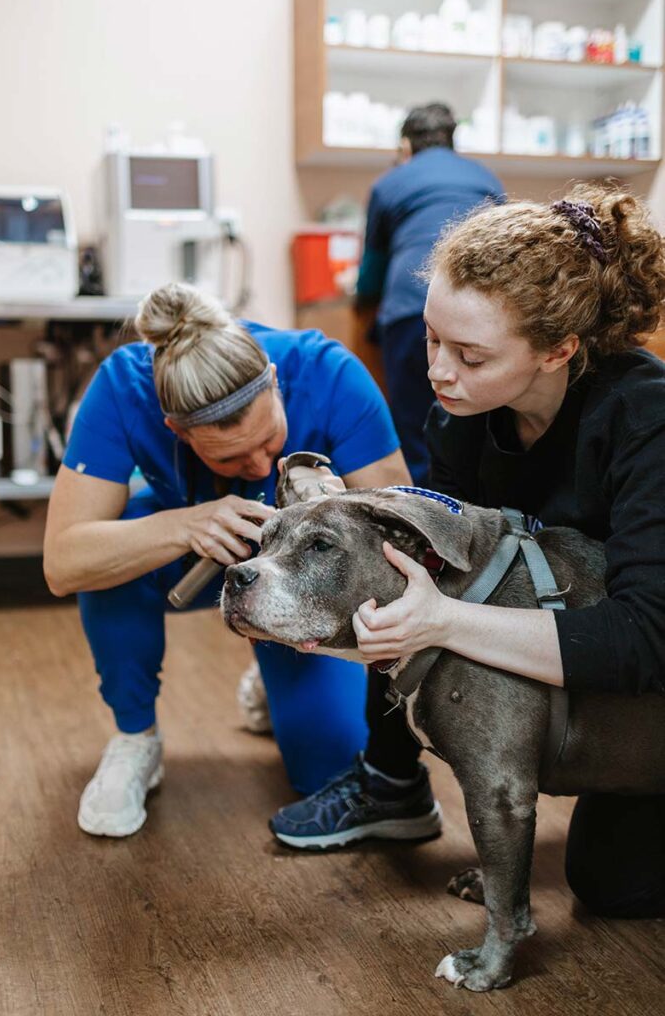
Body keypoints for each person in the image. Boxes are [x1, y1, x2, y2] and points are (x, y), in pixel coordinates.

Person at [270, 184, 665, 919]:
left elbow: (645, 639)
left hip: (645, 663)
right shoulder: (459, 418)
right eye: (430, 338)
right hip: (591, 649)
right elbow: (429, 580)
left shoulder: (645, 418)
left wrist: (444, 623)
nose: (438, 371)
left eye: (470, 355)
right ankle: (390, 785)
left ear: (559, 350)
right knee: (395, 584)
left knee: (612, 885)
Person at [43, 282, 417, 838]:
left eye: (270, 440)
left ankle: (272, 670)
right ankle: (135, 737)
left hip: (299, 584)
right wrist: (182, 524)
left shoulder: (330, 374)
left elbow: (402, 547)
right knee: (114, 549)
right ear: (177, 431)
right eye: (231, 457)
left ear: (273, 379)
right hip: (190, 555)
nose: (260, 462)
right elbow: (64, 563)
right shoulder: (124, 386)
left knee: (327, 768)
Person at [355, 102, 504, 485]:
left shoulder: (390, 183)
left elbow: (372, 266)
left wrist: (362, 302)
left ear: (405, 146)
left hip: (411, 309)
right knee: (481, 415)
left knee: (412, 422)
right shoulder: (485, 177)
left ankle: (421, 514)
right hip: (481, 313)